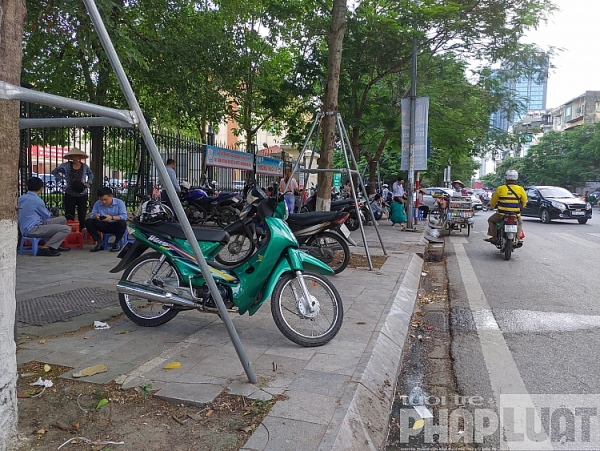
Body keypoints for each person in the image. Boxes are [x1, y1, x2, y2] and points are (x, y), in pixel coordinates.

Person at [18, 177, 72, 257]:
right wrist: (51, 212)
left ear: (27, 187)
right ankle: (45, 248)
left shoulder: (20, 199)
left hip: (27, 226)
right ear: (42, 188)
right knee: (66, 229)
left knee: (62, 219)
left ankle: (54, 246)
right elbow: (46, 216)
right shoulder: (37, 200)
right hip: (33, 229)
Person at [51, 147, 94, 232]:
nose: (75, 158)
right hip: (70, 192)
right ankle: (68, 230)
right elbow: (54, 171)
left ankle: (82, 230)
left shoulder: (84, 166)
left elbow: (91, 174)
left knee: (82, 213)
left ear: (79, 157)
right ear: (70, 157)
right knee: (69, 213)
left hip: (82, 192)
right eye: (73, 156)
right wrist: (61, 178)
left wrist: (88, 183)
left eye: (76, 156)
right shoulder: (66, 165)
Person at [485, 169, 527, 244]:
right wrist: (522, 206)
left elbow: (493, 201)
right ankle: (518, 238)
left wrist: (492, 206)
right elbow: (524, 201)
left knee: (491, 220)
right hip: (515, 214)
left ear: (506, 178)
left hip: (501, 214)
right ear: (516, 178)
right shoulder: (520, 189)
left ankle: (494, 237)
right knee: (520, 223)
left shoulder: (500, 188)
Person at [85, 187, 128, 252]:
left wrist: (111, 217)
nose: (104, 202)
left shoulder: (119, 203)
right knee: (89, 221)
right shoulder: (97, 203)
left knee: (122, 223)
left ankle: (116, 243)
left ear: (111, 196)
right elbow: (92, 214)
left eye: (106, 199)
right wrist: (96, 216)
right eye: (101, 200)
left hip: (115, 225)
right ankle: (99, 242)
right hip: (103, 224)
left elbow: (124, 216)